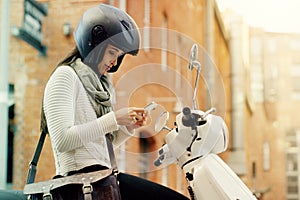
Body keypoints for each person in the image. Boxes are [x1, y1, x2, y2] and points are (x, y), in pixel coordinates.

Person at [42, 3, 189, 200]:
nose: (115, 61)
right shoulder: (65, 76)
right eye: (112, 52)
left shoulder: (98, 88)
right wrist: (114, 119)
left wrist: (128, 127)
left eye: (119, 56)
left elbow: (99, 148)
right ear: (92, 44)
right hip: (81, 184)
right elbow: (63, 140)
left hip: (102, 179)